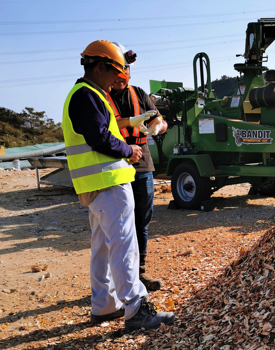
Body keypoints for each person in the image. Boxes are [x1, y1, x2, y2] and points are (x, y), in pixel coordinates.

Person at [62, 39, 174, 330]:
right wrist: (129, 151)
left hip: (97, 184)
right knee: (124, 244)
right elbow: (99, 137)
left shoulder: (86, 94)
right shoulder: (87, 95)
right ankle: (136, 308)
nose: (117, 81)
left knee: (101, 246)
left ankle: (105, 304)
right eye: (115, 74)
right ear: (100, 67)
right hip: (109, 182)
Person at [107, 43, 168, 291]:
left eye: (125, 74)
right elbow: (106, 125)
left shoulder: (140, 93)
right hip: (116, 161)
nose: (122, 79)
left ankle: (138, 272)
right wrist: (131, 121)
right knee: (120, 222)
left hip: (143, 165)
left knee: (142, 219)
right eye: (118, 75)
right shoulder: (101, 96)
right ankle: (119, 275)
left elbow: (160, 120)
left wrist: (157, 127)